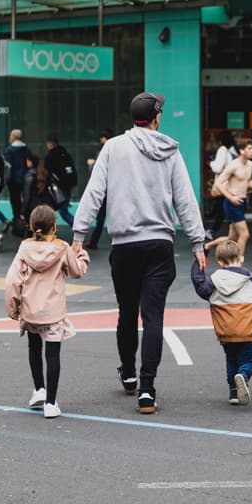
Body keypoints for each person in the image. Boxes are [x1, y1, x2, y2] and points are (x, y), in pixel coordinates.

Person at [71, 91, 206, 416]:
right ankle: (147, 390)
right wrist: (198, 242)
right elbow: (185, 200)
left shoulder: (113, 148)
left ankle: (128, 373)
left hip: (125, 246)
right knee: (154, 317)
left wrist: (79, 234)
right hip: (159, 245)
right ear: (157, 117)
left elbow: (94, 192)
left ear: (134, 118)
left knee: (127, 312)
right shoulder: (170, 151)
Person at [5, 204, 89, 420]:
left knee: (34, 348)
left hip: (30, 310)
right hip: (53, 312)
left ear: (32, 227)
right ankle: (51, 403)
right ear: (54, 226)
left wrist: (13, 307)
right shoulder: (62, 248)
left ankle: (39, 390)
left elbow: (12, 280)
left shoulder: (24, 248)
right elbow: (76, 271)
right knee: (53, 355)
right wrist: (82, 257)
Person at [190, 238, 252, 406]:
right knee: (247, 362)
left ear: (219, 262)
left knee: (231, 359)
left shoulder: (213, 283)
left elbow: (199, 283)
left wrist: (200, 260)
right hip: (248, 333)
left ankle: (234, 393)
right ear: (241, 259)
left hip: (226, 333)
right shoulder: (251, 280)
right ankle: (244, 375)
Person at [207, 136, 252, 261]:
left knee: (232, 238)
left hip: (242, 201)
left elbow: (248, 181)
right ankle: (238, 261)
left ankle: (207, 246)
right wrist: (230, 197)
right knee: (244, 234)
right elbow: (218, 183)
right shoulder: (233, 166)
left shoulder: (251, 165)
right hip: (232, 203)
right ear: (241, 151)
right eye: (249, 148)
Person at [84, 129, 114, 249]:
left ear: (103, 138)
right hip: (115, 188)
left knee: (100, 217)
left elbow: (96, 171)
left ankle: (93, 241)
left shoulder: (102, 152)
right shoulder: (118, 150)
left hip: (104, 189)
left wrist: (91, 164)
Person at [206, 130, 239, 236]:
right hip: (232, 184)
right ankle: (214, 231)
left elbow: (218, 168)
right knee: (221, 209)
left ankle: (214, 231)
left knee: (220, 209)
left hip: (223, 184)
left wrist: (211, 163)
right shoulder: (234, 152)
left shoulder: (222, 150)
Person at [43, 134, 77, 226]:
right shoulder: (65, 154)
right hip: (68, 186)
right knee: (63, 210)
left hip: (57, 188)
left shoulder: (50, 156)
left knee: (59, 211)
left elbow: (47, 172)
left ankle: (77, 227)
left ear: (50, 144)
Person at [4, 130, 35, 231]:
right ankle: (26, 222)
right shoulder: (27, 149)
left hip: (13, 180)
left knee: (15, 201)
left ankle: (17, 223)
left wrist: (6, 180)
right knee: (26, 200)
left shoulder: (9, 150)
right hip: (26, 179)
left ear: (13, 137)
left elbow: (8, 167)